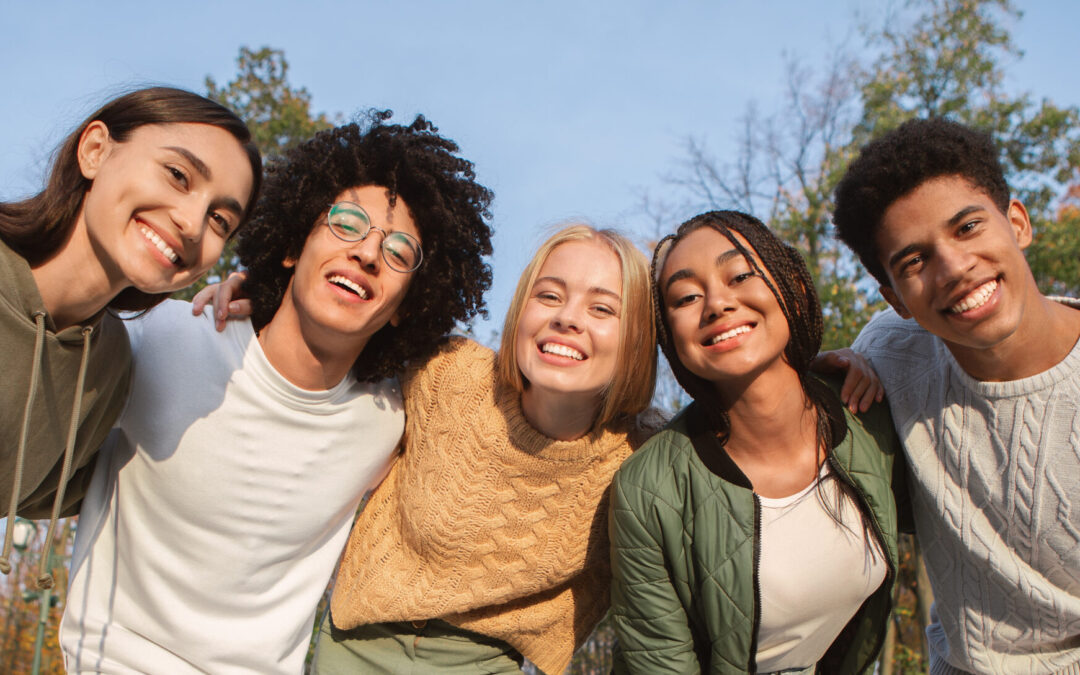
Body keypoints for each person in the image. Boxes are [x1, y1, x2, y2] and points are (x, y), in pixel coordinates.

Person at [59, 114, 494, 675]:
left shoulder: (390, 422)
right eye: (347, 223)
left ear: (408, 304)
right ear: (293, 245)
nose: (366, 253)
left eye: (399, 252)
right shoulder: (160, 338)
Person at [307, 224, 657, 675]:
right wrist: (253, 305)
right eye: (548, 296)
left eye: (602, 308)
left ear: (637, 340)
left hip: (492, 663)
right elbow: (332, 338)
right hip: (357, 642)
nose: (567, 317)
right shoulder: (449, 373)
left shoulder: (645, 459)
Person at [834, 117, 1080, 675]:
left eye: (967, 227)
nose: (954, 268)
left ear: (1017, 223)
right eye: (914, 261)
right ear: (894, 298)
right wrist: (818, 377)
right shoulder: (888, 351)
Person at [610, 210, 904, 674]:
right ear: (671, 339)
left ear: (794, 285)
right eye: (686, 296)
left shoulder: (868, 412)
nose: (716, 304)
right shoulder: (649, 489)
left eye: (741, 274)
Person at [0, 86, 261, 587]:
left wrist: (273, 318)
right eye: (178, 175)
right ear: (95, 150)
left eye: (219, 220)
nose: (190, 223)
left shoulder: (109, 363)